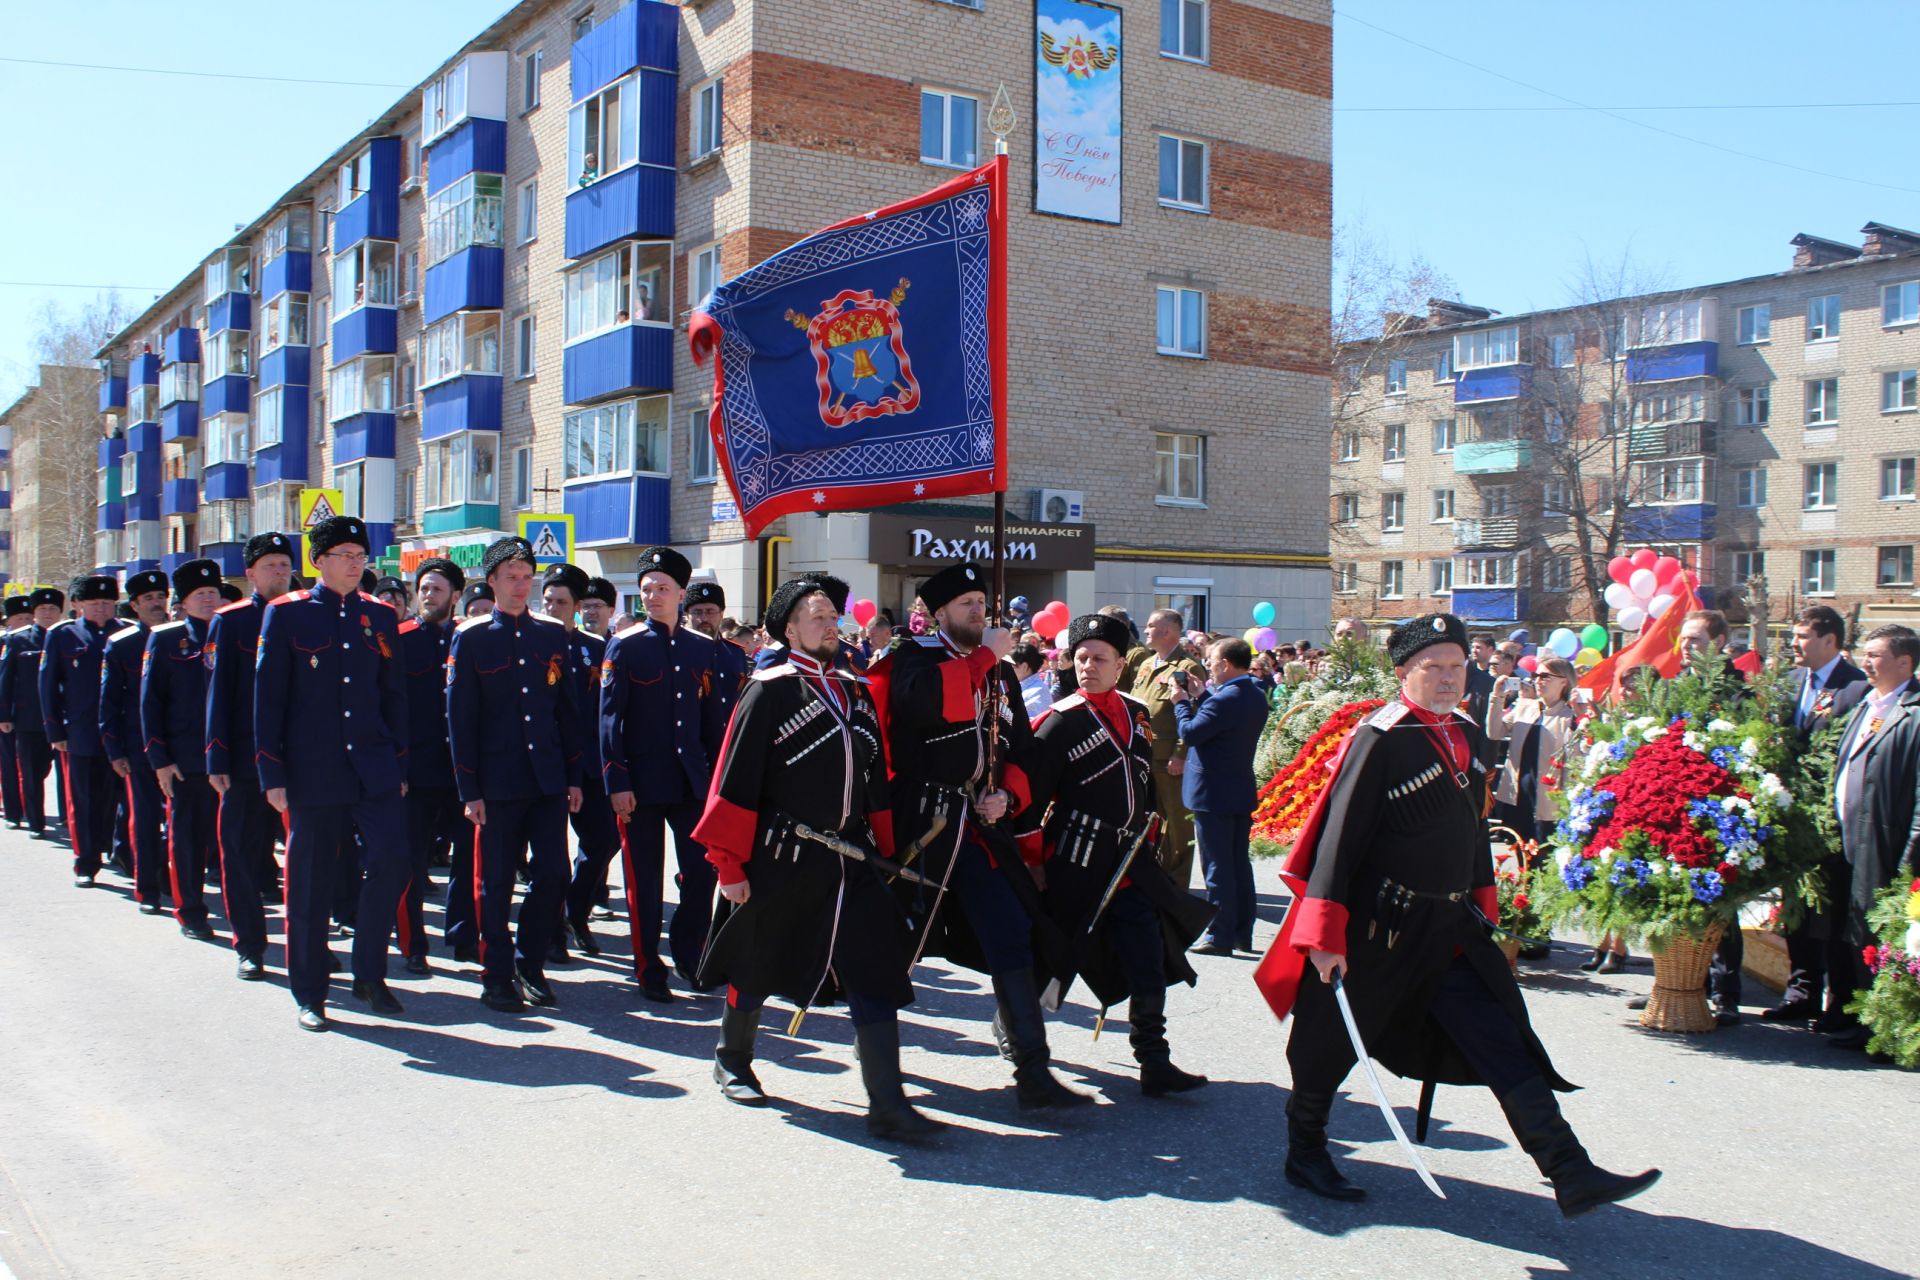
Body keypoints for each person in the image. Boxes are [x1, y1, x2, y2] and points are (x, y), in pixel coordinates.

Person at [1256, 613, 1659, 1215]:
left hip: (1449, 931)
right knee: (1329, 1043)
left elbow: (1473, 833)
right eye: (1433, 667)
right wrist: (1323, 934)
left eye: (1456, 665)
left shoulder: (1464, 731)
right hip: (1376, 930)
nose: (1449, 678)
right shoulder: (1380, 739)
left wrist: (1485, 909)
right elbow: (1338, 841)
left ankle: (1569, 1170)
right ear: (1403, 672)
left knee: (1502, 1038)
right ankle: (1305, 1150)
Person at [691, 574, 940, 1139]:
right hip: (780, 856)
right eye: (818, 616)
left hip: (851, 859)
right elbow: (734, 780)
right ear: (790, 628)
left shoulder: (853, 689)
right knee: (758, 959)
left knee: (874, 970)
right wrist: (730, 865)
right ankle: (732, 1059)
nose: (832, 624)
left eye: (834, 615)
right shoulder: (769, 689)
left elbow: (875, 778)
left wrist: (885, 844)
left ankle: (888, 1104)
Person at [867, 562, 1086, 1110]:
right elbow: (925, 706)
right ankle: (878, 1076)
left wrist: (1007, 794)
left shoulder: (999, 673)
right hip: (920, 825)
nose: (977, 611)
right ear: (936, 612)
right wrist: (987, 656)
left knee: (1014, 932)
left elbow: (1021, 748)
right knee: (888, 946)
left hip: (980, 829)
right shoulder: (909, 660)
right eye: (965, 603)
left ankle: (1032, 1072)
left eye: (980, 601)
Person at [1014, 612, 1212, 1096]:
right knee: (1051, 959)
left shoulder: (1136, 713)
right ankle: (1016, 1033)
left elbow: (1143, 785)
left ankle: (1153, 1061)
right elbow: (1028, 804)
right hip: (1074, 860)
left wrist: (1150, 835)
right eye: (1080, 658)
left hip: (1130, 864)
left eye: (1099, 658)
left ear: (1120, 665)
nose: (1087, 666)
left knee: (1148, 959)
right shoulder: (1058, 723)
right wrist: (1035, 863)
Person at [255, 515, 413, 1032]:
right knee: (310, 883)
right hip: (313, 770)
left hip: (373, 765)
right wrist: (271, 771)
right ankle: (310, 992)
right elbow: (269, 700)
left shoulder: (380, 616)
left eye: (360, 554)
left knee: (393, 862)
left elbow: (394, 696)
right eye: (343, 554)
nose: (354, 563)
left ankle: (369, 972)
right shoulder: (286, 615)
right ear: (318, 561)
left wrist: (400, 763)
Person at [448, 537, 586, 1012]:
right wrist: (469, 788)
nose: (520, 585)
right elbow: (460, 720)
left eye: (527, 577)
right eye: (511, 577)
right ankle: (497, 973)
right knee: (495, 883)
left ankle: (530, 963)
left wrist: (572, 777)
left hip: (546, 779)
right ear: (491, 581)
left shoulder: (551, 634)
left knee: (552, 875)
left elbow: (566, 713)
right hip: (496, 783)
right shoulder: (471, 636)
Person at [598, 546, 730, 1000]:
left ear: (680, 594)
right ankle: (647, 966)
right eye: (647, 589)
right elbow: (610, 720)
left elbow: (712, 719)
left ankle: (690, 954)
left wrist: (716, 783)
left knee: (702, 872)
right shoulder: (627, 645)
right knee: (645, 880)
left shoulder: (701, 648)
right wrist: (618, 782)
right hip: (641, 785)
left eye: (662, 589)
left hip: (691, 782)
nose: (653, 596)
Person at [1764, 605, 1869, 1027]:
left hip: (1832, 821)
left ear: (1830, 641)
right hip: (1792, 820)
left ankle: (1840, 1002)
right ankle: (1801, 992)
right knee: (1796, 911)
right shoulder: (1788, 683)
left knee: (1834, 913)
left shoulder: (1855, 688)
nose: (1794, 644)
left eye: (1803, 636)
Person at [205, 533, 297, 980]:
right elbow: (218, 695)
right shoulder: (232, 621)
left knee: (303, 858)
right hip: (243, 760)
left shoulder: (306, 614)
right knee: (240, 852)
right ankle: (250, 944)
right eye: (270, 566)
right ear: (250, 574)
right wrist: (216, 758)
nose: (279, 572)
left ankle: (305, 941)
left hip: (298, 760)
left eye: (285, 564)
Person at [1827, 624, 1920, 1050]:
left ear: (1905, 662)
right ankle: (1855, 1015)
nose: (1866, 661)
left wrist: (1910, 857)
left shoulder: (1914, 712)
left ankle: (1882, 1030)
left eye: (1876, 655)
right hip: (1851, 839)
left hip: (1888, 842)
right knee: (1854, 930)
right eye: (1865, 653)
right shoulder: (1868, 704)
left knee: (1878, 937)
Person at [539, 563, 619, 963]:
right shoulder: (532, 642)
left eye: (562, 602)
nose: (554, 608)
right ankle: (551, 932)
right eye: (548, 600)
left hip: (588, 764)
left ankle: (576, 911)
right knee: (549, 856)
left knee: (605, 841)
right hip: (546, 766)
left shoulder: (595, 647)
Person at [141, 560, 224, 942]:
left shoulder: (234, 632)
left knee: (227, 839)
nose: (208, 599)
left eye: (212, 593)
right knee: (186, 840)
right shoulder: (166, 638)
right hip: (185, 761)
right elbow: (150, 704)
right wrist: (160, 760)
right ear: (184, 602)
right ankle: (190, 909)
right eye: (199, 595)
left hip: (227, 759)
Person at [396, 556, 471, 970]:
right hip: (416, 770)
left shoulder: (468, 637)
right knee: (410, 858)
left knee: (467, 859)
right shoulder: (401, 638)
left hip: (460, 771)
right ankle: (412, 945)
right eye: (423, 588)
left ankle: (462, 935)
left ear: (456, 596)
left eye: (437, 589)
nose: (427, 595)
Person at [1175, 636, 1270, 955]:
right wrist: (1201, 696)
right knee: (1238, 865)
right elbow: (1219, 724)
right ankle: (1243, 931)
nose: (1208, 668)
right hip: (1238, 788)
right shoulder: (1254, 695)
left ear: (1226, 664)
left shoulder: (1223, 699)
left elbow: (1191, 733)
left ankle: (1219, 934)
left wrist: (1180, 703)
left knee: (1217, 866)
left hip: (1213, 792)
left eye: (1211, 662)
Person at [41, 575, 124, 888]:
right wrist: (55, 730)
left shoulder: (124, 631)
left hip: (120, 731)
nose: (101, 608)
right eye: (93, 603)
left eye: (106, 602)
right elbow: (48, 686)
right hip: (82, 732)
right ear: (77, 605)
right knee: (84, 799)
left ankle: (117, 849)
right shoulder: (63, 635)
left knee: (116, 799)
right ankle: (86, 861)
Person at [100, 572, 170, 911]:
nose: (157, 603)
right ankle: (148, 888)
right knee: (143, 817)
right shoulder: (122, 643)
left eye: (161, 596)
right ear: (135, 606)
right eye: (149, 599)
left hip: (179, 746)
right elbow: (109, 702)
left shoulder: (179, 637)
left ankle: (174, 875)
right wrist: (115, 750)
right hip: (138, 746)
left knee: (181, 820)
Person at [1134, 608, 1206, 890]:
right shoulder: (1146, 664)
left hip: (1169, 760)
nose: (1146, 630)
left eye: (1152, 626)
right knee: (1154, 822)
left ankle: (1176, 886)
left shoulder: (1187, 668)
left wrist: (1181, 753)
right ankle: (1158, 877)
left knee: (1178, 826)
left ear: (1168, 631)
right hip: (1144, 755)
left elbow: (1195, 713)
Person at [0, 587, 64, 838]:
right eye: (42, 609)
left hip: (64, 718)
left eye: (52, 609)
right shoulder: (18, 639)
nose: (47, 613)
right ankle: (34, 822)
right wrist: (4, 715)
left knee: (63, 773)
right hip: (29, 718)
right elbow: (5, 679)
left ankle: (68, 817)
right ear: (34, 612)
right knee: (31, 772)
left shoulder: (69, 637)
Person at [0, 595, 31, 828]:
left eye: (28, 617)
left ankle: (29, 806)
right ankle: (13, 810)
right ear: (8, 621)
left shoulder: (36, 640)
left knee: (31, 765)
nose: (25, 622)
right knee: (9, 763)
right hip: (6, 712)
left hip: (27, 713)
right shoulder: (5, 641)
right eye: (20, 618)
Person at [1011, 642, 1051, 720]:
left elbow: (1034, 724)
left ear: (1024, 666)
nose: (1008, 671)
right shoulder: (1017, 686)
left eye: (1012, 667)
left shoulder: (1039, 691)